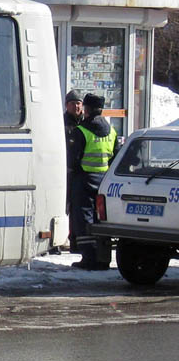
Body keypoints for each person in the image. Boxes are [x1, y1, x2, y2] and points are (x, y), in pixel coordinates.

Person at [68, 93, 118, 270]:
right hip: (104, 181)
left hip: (84, 179)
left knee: (84, 219)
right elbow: (115, 156)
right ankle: (103, 259)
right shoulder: (111, 131)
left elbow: (73, 158)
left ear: (87, 109)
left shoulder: (81, 131)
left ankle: (89, 258)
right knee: (101, 220)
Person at [62, 89, 84, 254]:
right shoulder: (61, 122)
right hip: (65, 171)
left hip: (82, 172)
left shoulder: (87, 123)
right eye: (72, 103)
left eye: (78, 103)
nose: (75, 106)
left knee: (78, 207)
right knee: (65, 204)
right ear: (66, 106)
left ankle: (75, 239)